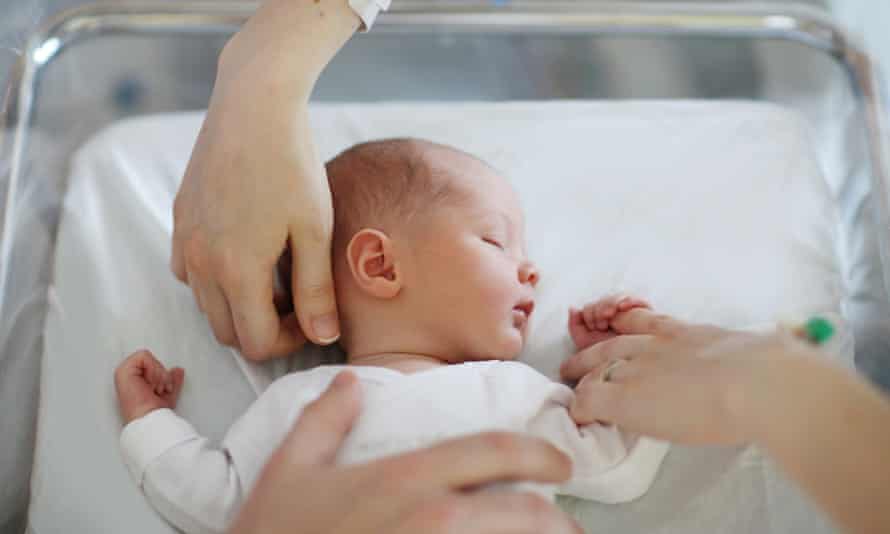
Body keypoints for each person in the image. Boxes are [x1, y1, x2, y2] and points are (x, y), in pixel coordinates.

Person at [116, 138, 667, 533]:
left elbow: (613, 464)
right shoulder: (302, 406)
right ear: (380, 264)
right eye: (498, 243)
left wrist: (615, 366)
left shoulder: (519, 392)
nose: (532, 271)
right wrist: (152, 425)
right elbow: (222, 499)